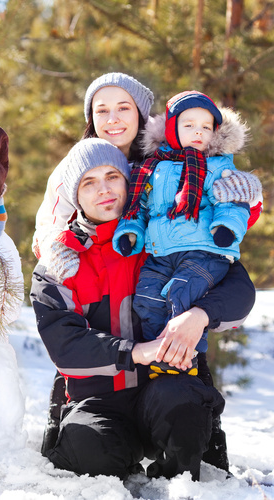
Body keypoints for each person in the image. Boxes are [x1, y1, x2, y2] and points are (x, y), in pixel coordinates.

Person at [32, 73, 262, 473]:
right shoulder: (75, 170)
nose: (113, 118)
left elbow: (222, 250)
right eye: (101, 109)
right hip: (105, 380)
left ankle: (188, 444)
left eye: (124, 107)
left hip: (167, 376)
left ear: (144, 117)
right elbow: (51, 233)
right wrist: (57, 250)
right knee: (91, 443)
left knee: (185, 412)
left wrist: (244, 198)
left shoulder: (171, 162)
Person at [112, 91, 261, 375]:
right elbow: (139, 206)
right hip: (160, 253)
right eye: (189, 125)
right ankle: (160, 355)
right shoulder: (152, 168)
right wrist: (130, 232)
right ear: (171, 129)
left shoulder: (217, 166)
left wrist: (226, 228)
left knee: (182, 296)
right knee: (147, 299)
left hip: (205, 251)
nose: (198, 132)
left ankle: (186, 360)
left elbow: (230, 201)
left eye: (206, 127)